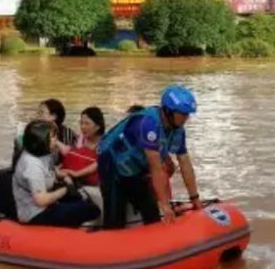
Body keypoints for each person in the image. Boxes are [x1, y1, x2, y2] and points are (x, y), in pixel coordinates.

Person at [97, 86, 204, 229]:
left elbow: (184, 162)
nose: (186, 118)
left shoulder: (178, 130)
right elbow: (155, 167)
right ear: (169, 111)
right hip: (112, 164)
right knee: (115, 218)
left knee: (151, 212)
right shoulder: (148, 124)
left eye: (187, 115)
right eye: (183, 114)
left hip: (135, 167)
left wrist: (195, 198)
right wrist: (165, 205)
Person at [13, 120, 101, 228]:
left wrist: (63, 175)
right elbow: (41, 200)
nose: (56, 140)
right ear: (41, 140)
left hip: (46, 204)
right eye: (53, 137)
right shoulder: (32, 165)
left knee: (79, 199)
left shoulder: (42, 153)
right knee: (92, 210)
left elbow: (49, 171)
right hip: (35, 214)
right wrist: (64, 190)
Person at [13, 98, 79, 163]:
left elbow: (70, 157)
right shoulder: (34, 130)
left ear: (53, 116)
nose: (37, 115)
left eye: (41, 112)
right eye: (38, 112)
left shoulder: (67, 133)